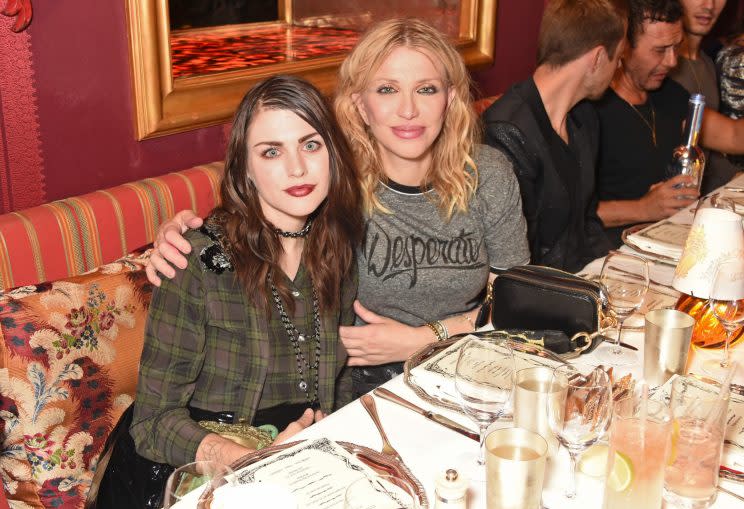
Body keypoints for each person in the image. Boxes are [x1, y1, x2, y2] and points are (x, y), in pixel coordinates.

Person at [146, 19, 530, 397]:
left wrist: (425, 339)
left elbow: (516, 299)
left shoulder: (488, 175)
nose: (408, 110)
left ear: (449, 97)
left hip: (469, 364)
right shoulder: (331, 180)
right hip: (364, 385)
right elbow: (254, 215)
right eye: (387, 89)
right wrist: (178, 234)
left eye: (426, 89)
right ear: (361, 105)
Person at [98, 75, 363, 508]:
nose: (297, 168)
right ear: (245, 170)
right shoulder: (197, 263)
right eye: (272, 151)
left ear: (333, 152)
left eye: (310, 144)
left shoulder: (339, 248)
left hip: (300, 458)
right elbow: (152, 423)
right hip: (193, 467)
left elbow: (342, 373)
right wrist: (253, 461)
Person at [482, 0, 625, 272]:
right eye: (618, 59)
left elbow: (586, 222)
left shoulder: (584, 117)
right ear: (596, 58)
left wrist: (615, 270)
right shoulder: (505, 132)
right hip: (535, 292)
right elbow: (514, 263)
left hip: (582, 279)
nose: (618, 68)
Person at [594, 0, 744, 247]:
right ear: (623, 46)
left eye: (676, 47)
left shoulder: (669, 94)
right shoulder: (593, 109)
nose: (673, 61)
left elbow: (734, 136)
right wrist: (643, 208)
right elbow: (563, 214)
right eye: (660, 50)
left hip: (667, 245)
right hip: (609, 254)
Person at [668, 0, 740, 192]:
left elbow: (710, 155)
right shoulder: (663, 68)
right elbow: (732, 136)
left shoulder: (707, 62)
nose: (709, 5)